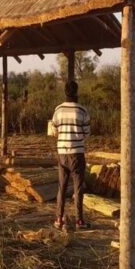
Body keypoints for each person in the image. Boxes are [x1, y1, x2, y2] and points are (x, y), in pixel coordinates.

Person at [50, 81, 91, 230]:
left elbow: (54, 131)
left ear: (65, 91)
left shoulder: (58, 110)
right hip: (77, 153)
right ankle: (79, 221)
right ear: (76, 91)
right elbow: (87, 133)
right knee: (78, 188)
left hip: (62, 153)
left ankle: (59, 219)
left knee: (62, 187)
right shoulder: (82, 110)